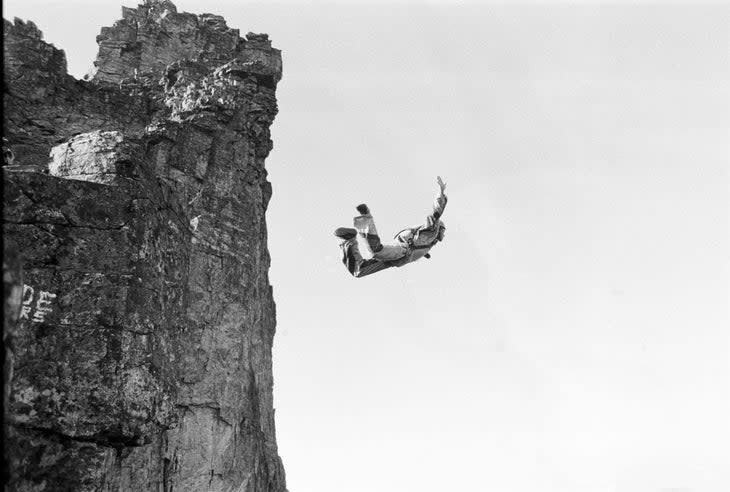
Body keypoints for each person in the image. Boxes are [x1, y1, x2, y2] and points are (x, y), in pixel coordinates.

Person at [334, 176, 448, 278]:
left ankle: (348, 240)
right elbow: (436, 214)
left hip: (395, 260)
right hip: (401, 251)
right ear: (439, 229)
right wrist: (441, 194)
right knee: (376, 252)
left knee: (359, 270)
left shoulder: (429, 242)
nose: (443, 234)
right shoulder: (432, 231)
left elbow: (420, 245)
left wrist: (424, 254)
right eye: (443, 231)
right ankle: (365, 220)